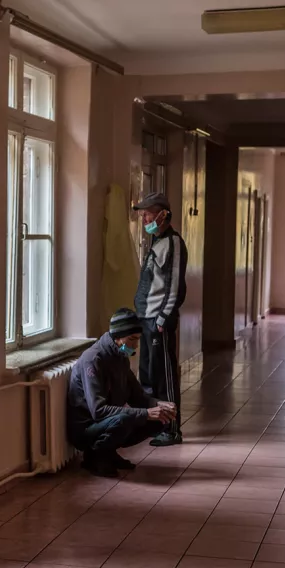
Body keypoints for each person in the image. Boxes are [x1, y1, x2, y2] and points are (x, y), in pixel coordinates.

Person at [67, 309, 177, 477]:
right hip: (87, 429)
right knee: (127, 418)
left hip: (106, 422)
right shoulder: (93, 360)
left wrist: (159, 405)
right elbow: (98, 411)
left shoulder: (120, 357)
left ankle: (108, 453)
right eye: (132, 339)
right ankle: (95, 456)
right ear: (117, 337)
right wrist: (145, 413)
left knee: (160, 418)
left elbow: (137, 396)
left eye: (138, 339)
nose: (135, 345)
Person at [133, 192, 188, 447]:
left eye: (148, 214)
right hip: (146, 317)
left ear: (163, 215)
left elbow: (175, 284)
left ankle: (172, 429)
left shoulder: (173, 243)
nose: (144, 219)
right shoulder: (156, 242)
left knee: (164, 376)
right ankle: (155, 424)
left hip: (158, 319)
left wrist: (163, 316)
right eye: (143, 215)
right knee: (147, 374)